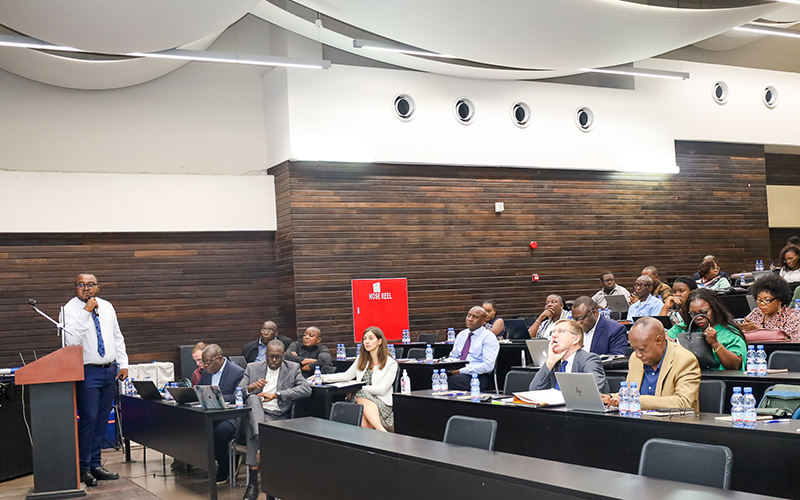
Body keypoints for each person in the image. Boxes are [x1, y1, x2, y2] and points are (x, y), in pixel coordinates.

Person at [62, 273, 129, 487]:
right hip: (87, 372)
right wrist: (86, 312)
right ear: (76, 288)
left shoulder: (108, 307)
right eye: (81, 285)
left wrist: (124, 362)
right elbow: (70, 341)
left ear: (98, 287)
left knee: (101, 419)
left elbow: (117, 336)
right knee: (89, 419)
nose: (86, 288)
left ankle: (96, 465)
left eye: (90, 285)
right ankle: (83, 467)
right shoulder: (69, 310)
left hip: (110, 371)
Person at [239, 339, 311, 500]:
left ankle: (253, 486)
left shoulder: (292, 368)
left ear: (283, 356)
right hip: (256, 412)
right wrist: (251, 388)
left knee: (253, 429)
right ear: (265, 355)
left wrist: (277, 394)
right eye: (271, 356)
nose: (274, 360)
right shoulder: (253, 368)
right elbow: (239, 391)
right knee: (253, 400)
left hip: (277, 416)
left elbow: (306, 389)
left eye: (278, 357)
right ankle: (270, 489)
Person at [602, 317, 700, 411]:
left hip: (672, 424)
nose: (638, 355)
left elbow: (683, 403)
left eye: (641, 349)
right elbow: (629, 392)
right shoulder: (635, 358)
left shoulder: (685, 360)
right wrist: (611, 398)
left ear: (658, 340)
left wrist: (637, 400)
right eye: (634, 349)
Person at [322, 326, 398, 432]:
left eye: (371, 338)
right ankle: (379, 434)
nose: (366, 341)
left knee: (361, 406)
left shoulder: (391, 363)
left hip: (382, 404)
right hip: (360, 400)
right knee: (361, 410)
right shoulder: (362, 359)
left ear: (379, 341)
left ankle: (379, 429)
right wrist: (323, 377)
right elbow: (346, 376)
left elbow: (382, 389)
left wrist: (359, 387)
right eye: (364, 338)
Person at [666, 289, 747, 370]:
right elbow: (664, 340)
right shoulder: (683, 328)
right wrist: (674, 343)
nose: (699, 317)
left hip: (720, 380)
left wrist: (715, 344)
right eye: (693, 314)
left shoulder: (730, 333)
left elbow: (735, 365)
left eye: (704, 312)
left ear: (715, 309)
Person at [198, 344, 245, 483]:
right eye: (203, 362)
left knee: (220, 431)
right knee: (194, 426)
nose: (205, 366)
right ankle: (202, 462)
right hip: (210, 412)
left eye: (207, 362)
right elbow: (202, 390)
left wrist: (218, 397)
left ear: (219, 359)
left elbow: (240, 396)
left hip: (232, 415)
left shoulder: (237, 372)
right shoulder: (206, 372)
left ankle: (224, 467)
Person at [528, 319, 609, 393]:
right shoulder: (555, 363)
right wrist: (550, 362)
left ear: (576, 339)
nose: (554, 335)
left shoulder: (589, 360)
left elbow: (593, 390)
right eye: (553, 332)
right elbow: (534, 390)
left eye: (561, 331)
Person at [446, 306, 500, 391]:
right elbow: (453, 356)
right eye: (469, 316)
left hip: (477, 376)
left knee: (447, 381)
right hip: (458, 372)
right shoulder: (462, 334)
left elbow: (488, 366)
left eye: (475, 317)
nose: (470, 319)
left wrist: (460, 371)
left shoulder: (488, 337)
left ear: (483, 321)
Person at [739, 274, 800, 341]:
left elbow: (789, 339)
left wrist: (757, 330)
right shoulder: (756, 313)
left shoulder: (792, 315)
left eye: (767, 300)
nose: (762, 304)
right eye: (759, 300)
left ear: (780, 300)